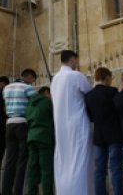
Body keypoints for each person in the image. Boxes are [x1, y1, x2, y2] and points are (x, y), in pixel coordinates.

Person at [51, 50, 93, 195]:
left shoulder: (55, 79)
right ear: (72, 60)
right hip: (78, 124)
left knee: (64, 161)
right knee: (80, 160)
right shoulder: (76, 75)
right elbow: (90, 94)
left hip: (60, 126)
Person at [85, 67, 123, 195]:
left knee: (99, 169)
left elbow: (90, 117)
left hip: (99, 136)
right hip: (114, 133)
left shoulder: (89, 96)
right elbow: (119, 110)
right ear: (107, 77)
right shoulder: (112, 91)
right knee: (116, 168)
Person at [2, 69, 38, 195]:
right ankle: (18, 191)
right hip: (22, 123)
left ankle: (6, 190)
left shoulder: (6, 88)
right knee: (22, 161)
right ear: (29, 77)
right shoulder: (27, 88)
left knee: (10, 160)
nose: (33, 83)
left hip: (9, 123)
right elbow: (36, 104)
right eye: (33, 80)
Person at [25, 86, 54, 195]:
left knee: (33, 168)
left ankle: (31, 192)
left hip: (31, 137)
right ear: (46, 92)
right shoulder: (47, 102)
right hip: (44, 138)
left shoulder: (30, 104)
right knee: (46, 169)